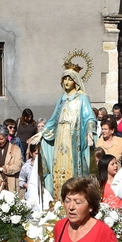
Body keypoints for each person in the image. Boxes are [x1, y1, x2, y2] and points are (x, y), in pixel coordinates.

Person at [37, 64, 97, 196]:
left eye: (70, 79)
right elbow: (53, 120)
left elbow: (89, 118)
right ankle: (59, 196)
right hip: (60, 138)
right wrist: (41, 133)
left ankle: (75, 194)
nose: (67, 82)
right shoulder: (61, 98)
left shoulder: (82, 98)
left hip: (73, 138)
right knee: (59, 165)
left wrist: (90, 131)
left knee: (73, 166)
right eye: (64, 79)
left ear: (75, 81)